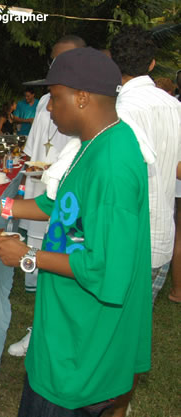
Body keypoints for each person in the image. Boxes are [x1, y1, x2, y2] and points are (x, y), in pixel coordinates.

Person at [0, 47, 151, 416]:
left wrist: (28, 257)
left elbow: (106, 268)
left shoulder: (112, 164)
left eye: (55, 98)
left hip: (83, 346)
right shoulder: (93, 144)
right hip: (65, 325)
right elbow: (59, 206)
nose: (47, 108)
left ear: (82, 97)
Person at [7, 35, 86, 357]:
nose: (50, 106)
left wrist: (28, 256)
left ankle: (49, 336)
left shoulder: (104, 146)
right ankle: (42, 331)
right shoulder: (46, 104)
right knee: (48, 273)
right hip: (47, 194)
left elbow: (97, 265)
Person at [111, 26, 181, 305]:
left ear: (113, 64)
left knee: (116, 325)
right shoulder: (173, 105)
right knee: (136, 324)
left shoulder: (118, 108)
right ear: (151, 64)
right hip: (162, 230)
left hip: (126, 236)